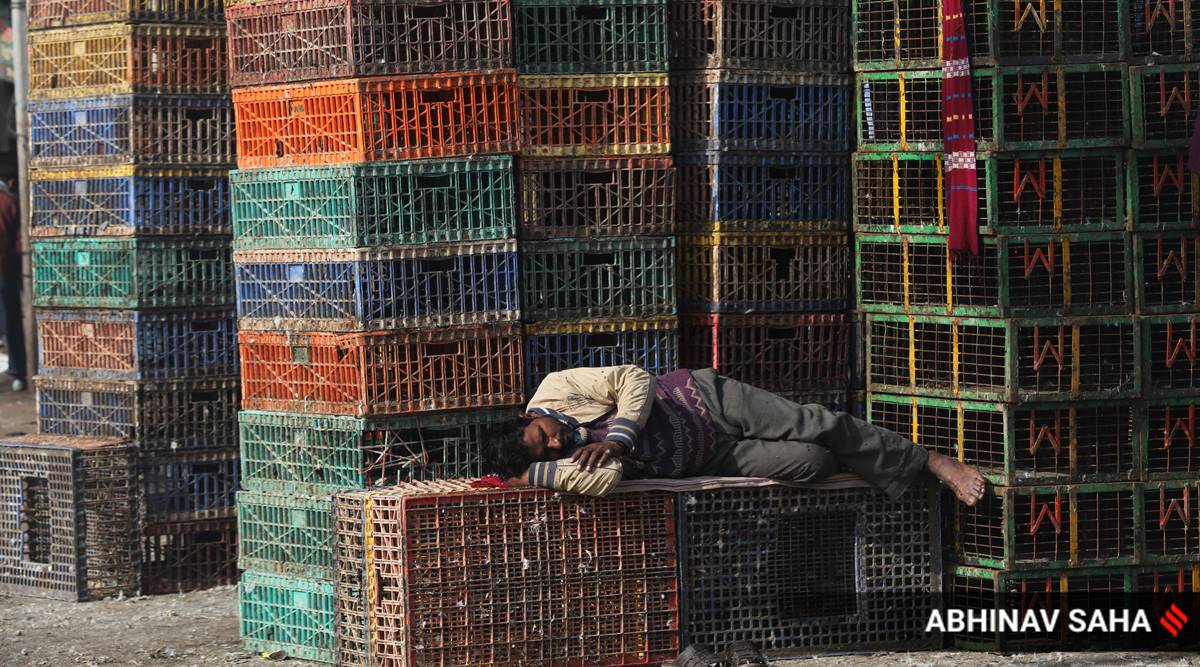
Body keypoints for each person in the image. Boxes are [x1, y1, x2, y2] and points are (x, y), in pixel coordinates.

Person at [482, 365, 986, 505]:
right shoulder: (558, 466)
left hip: (704, 401)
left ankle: (930, 462)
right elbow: (605, 481)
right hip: (716, 456)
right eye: (542, 452)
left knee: (817, 422)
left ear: (528, 418)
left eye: (543, 434)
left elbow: (633, 379)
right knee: (813, 463)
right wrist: (539, 474)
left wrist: (617, 438)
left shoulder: (556, 389)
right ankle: (879, 460)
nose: (554, 442)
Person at [0, 173, 24, 392]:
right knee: (11, 321)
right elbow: (18, 238)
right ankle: (17, 370)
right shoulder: (9, 200)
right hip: (5, 268)